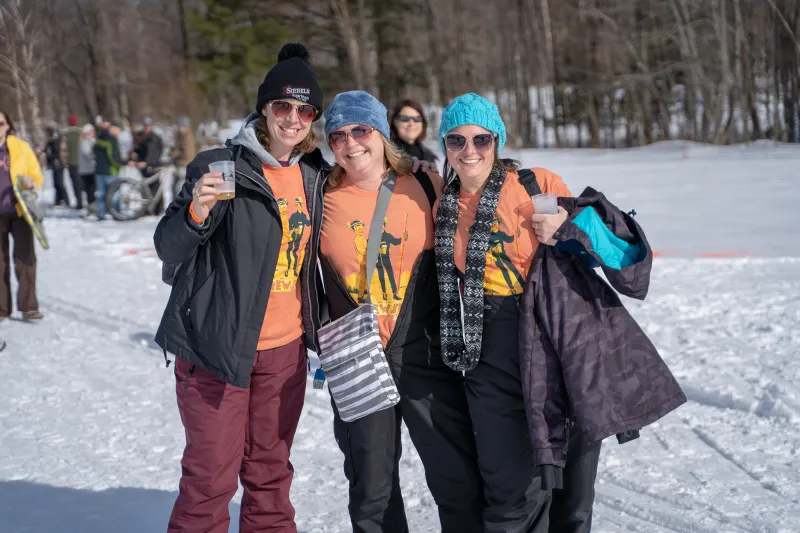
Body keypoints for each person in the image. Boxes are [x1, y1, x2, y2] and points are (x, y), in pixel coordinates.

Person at [423, 93, 684, 533]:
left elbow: (622, 256)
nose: (469, 151)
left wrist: (569, 228)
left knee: (573, 496)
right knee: (508, 492)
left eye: (481, 139)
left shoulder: (535, 185)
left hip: (563, 338)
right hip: (490, 345)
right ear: (444, 145)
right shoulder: (443, 205)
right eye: (456, 140)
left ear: (498, 141)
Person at [154, 43, 328, 533]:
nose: (292, 118)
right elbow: (168, 246)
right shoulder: (220, 166)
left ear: (312, 117)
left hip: (285, 353)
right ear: (264, 109)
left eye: (303, 109)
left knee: (271, 476)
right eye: (282, 107)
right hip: (216, 350)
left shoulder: (315, 174)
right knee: (210, 480)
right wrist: (196, 213)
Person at [318, 90, 483, 533]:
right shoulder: (320, 194)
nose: (351, 144)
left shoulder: (426, 183)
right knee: (372, 490)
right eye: (337, 136)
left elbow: (483, 226)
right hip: (356, 355)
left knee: (456, 478)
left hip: (421, 350)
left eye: (360, 130)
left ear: (381, 132)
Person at [0, 110, 45, 321]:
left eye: (0, 123)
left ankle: (29, 307)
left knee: (25, 259)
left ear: (7, 125)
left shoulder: (20, 147)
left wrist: (33, 184)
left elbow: (35, 173)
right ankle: (1, 308)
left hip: (20, 211)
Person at [389, 99, 437, 163]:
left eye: (417, 119)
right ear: (395, 121)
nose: (411, 123)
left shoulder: (429, 157)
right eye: (404, 118)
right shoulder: (386, 153)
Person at [93, 119, 124, 220]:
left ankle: (101, 214)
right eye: (119, 130)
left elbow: (93, 151)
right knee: (114, 193)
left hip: (99, 170)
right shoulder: (111, 140)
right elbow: (113, 157)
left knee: (101, 194)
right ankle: (116, 213)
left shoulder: (98, 137)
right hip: (110, 171)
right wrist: (122, 163)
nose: (119, 133)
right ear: (113, 128)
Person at [64, 115, 85, 210]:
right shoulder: (81, 133)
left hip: (71, 162)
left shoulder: (66, 135)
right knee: (84, 183)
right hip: (83, 163)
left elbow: (64, 150)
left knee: (75, 184)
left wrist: (65, 162)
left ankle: (79, 202)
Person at [44, 126, 68, 206]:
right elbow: (46, 150)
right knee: (56, 183)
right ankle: (58, 200)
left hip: (58, 164)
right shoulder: (50, 141)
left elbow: (56, 152)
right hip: (54, 164)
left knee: (60, 182)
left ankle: (65, 199)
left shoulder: (55, 141)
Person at [78, 124, 97, 213]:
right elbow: (88, 154)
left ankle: (92, 206)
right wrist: (96, 158)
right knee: (90, 189)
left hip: (88, 169)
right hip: (87, 170)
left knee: (91, 189)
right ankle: (91, 207)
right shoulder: (85, 141)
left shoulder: (90, 140)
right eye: (92, 131)